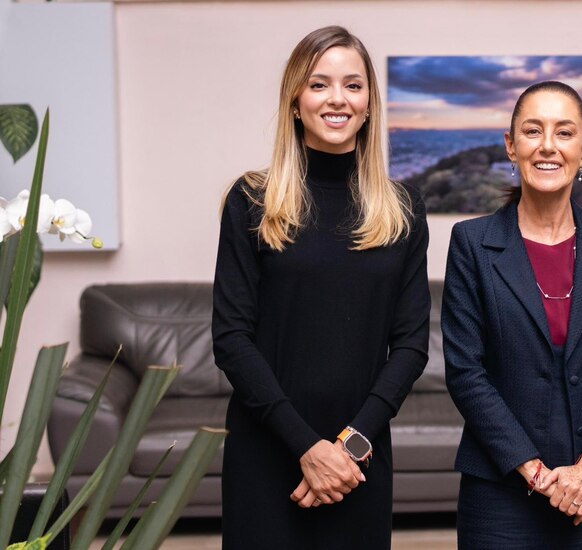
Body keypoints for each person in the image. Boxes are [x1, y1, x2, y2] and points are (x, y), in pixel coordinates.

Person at [212, 26, 429, 549]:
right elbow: (232, 339)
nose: (338, 99)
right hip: (267, 452)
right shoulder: (251, 200)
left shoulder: (402, 208)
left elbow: (411, 345)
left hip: (361, 456)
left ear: (370, 103)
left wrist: (348, 448)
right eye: (319, 84)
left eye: (353, 85)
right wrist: (306, 446)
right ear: (295, 100)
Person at [442, 80, 582, 549]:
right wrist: (536, 473)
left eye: (564, 132)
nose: (548, 146)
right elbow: (466, 374)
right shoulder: (472, 244)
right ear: (511, 147)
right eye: (533, 131)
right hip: (500, 490)